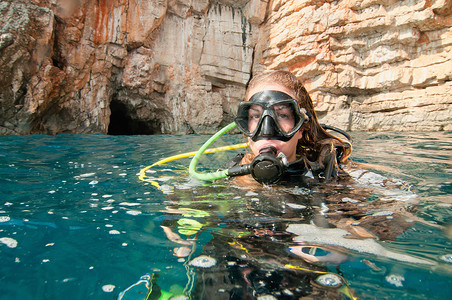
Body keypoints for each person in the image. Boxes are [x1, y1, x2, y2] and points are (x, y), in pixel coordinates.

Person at [232, 70, 352, 185]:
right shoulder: (230, 173)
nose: (267, 132)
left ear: (300, 128)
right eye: (256, 116)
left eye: (282, 115)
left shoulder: (334, 177)